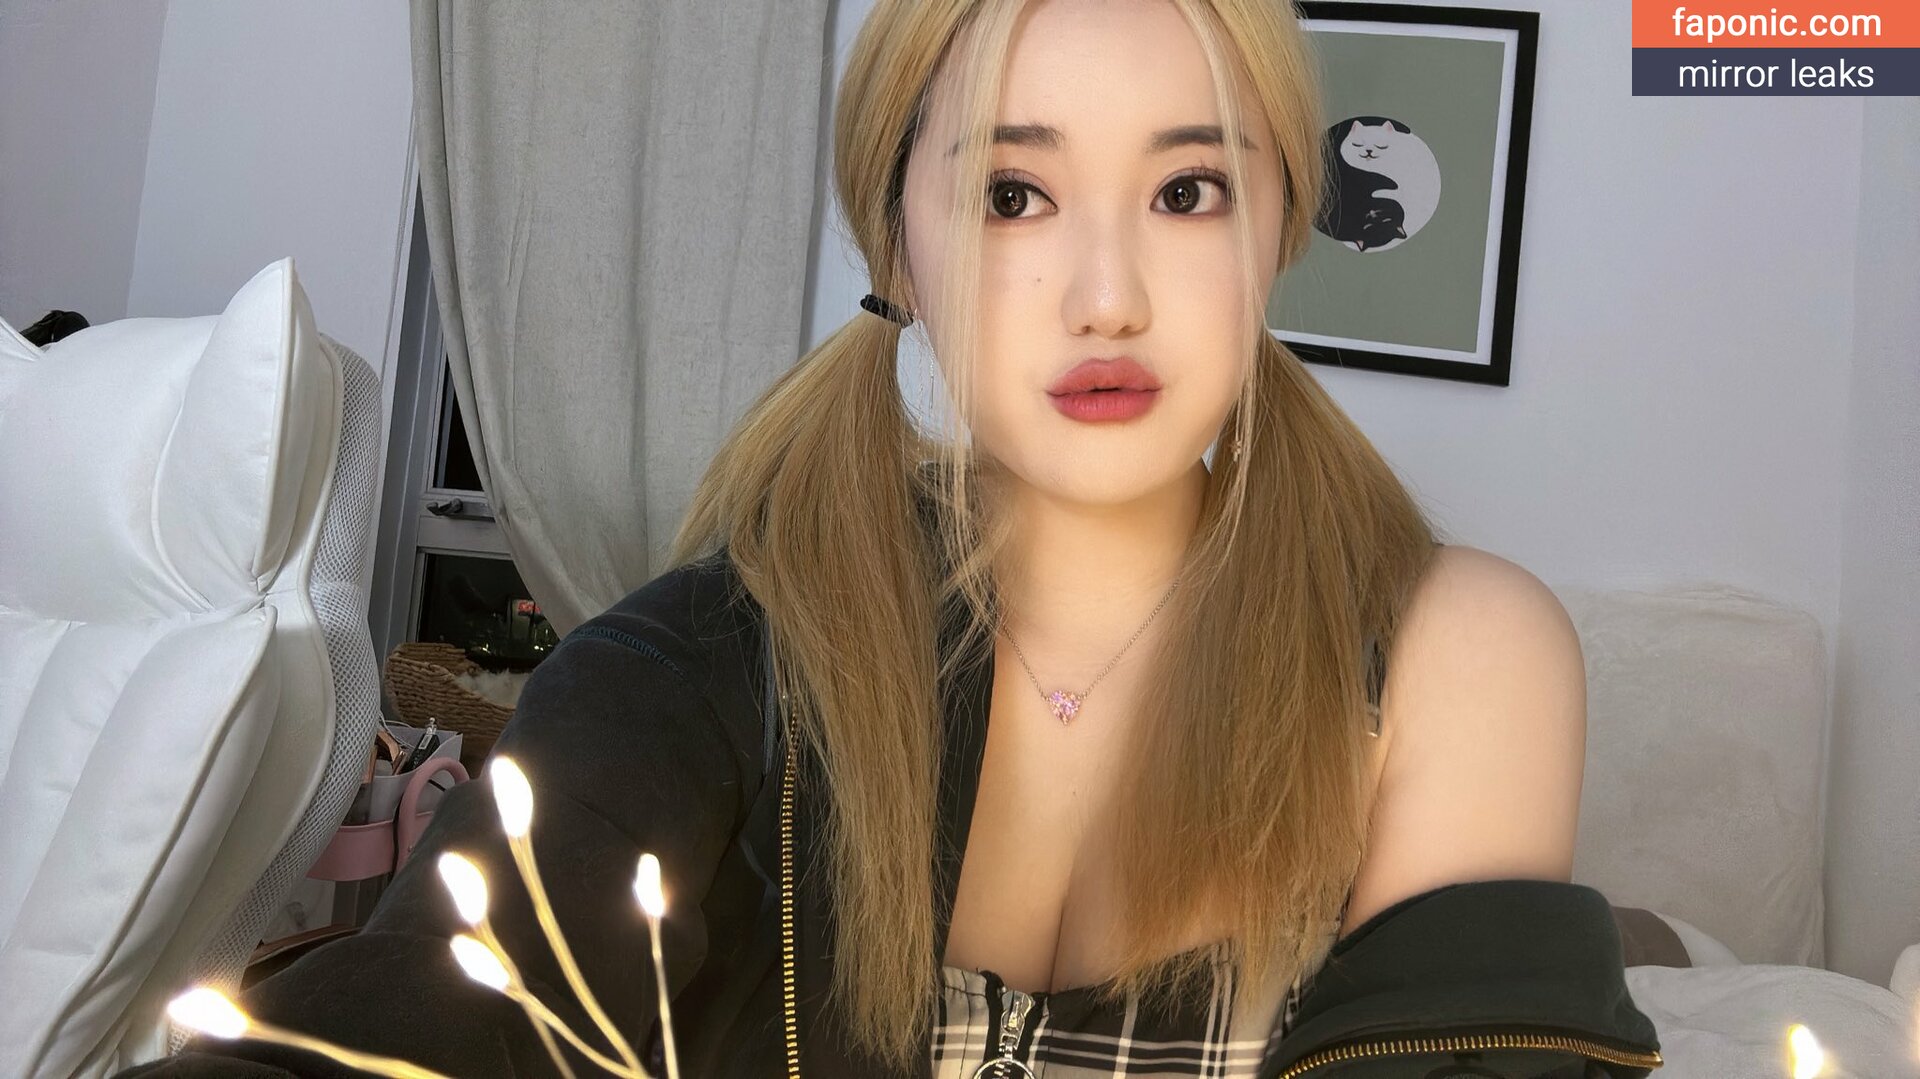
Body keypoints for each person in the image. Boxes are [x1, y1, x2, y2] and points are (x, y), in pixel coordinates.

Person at [119, 0, 1663, 1076]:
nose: (1108, 293)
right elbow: (415, 1022)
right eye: (1013, 193)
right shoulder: (705, 660)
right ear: (901, 250)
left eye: (1188, 189)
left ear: (1281, 227)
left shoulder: (1451, 658)